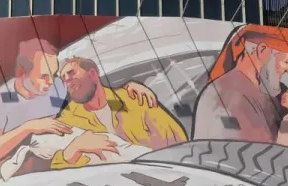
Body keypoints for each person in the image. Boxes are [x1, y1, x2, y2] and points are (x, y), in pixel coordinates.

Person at [0, 37, 160, 180]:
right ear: (21, 74)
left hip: (54, 152)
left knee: (105, 145)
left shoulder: (56, 86)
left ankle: (149, 163)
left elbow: (90, 87)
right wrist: (29, 127)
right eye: (43, 76)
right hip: (18, 164)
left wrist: (129, 87)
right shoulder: (0, 100)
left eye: (54, 74)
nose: (51, 82)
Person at [48, 57, 187, 169]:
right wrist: (73, 149)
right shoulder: (68, 119)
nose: (66, 80)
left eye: (71, 72)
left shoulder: (134, 99)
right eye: (63, 77)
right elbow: (52, 168)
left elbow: (178, 143)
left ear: (92, 74)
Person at [192, 25, 288, 144]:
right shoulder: (228, 93)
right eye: (286, 61)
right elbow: (260, 152)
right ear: (262, 50)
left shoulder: (276, 91)